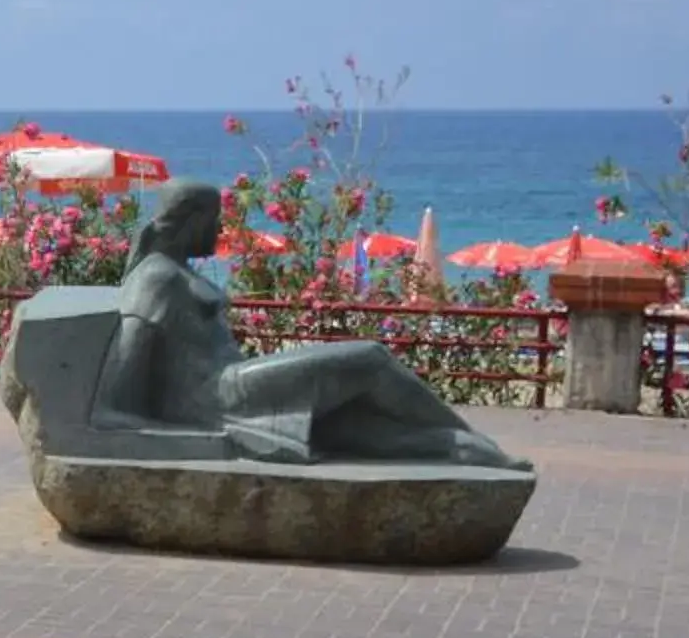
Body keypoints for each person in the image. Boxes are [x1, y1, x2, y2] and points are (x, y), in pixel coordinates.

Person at [103, 179, 528, 468]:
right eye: (215, 218)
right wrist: (177, 438)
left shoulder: (173, 269)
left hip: (230, 388)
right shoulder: (157, 277)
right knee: (369, 358)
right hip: (223, 396)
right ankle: (465, 435)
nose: (221, 227)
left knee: (351, 425)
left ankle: (460, 448)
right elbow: (123, 387)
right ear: (193, 219)